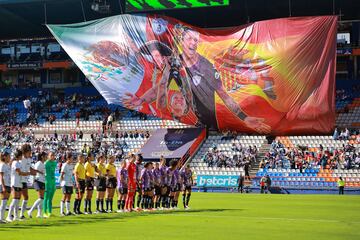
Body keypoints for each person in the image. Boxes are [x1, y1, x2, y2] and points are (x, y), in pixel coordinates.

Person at [175, 25, 271, 133]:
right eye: (189, 39)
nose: (193, 43)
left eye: (196, 40)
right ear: (181, 41)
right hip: (183, 124)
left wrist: (244, 117)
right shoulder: (174, 63)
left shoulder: (206, 67)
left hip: (208, 128)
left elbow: (224, 95)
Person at [7, 150, 30, 222]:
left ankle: (16, 216)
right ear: (19, 156)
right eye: (21, 155)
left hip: (19, 183)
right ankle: (9, 216)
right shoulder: (15, 163)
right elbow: (19, 172)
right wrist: (27, 173)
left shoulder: (18, 163)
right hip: (15, 183)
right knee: (14, 200)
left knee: (17, 200)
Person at [28, 151, 46, 218]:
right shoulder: (38, 163)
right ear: (42, 157)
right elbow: (34, 172)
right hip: (38, 181)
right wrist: (33, 181)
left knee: (41, 198)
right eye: (45, 156)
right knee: (41, 198)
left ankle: (39, 214)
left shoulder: (42, 163)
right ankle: (30, 211)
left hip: (42, 181)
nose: (46, 157)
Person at [19, 144, 35, 219]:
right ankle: (14, 214)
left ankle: (21, 214)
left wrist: (35, 171)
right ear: (25, 152)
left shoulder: (29, 159)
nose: (30, 153)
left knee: (25, 197)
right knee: (17, 198)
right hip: (18, 180)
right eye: (29, 151)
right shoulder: (20, 159)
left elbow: (30, 168)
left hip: (24, 180)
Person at [43, 151, 57, 218]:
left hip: (53, 182)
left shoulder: (55, 163)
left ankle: (50, 212)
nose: (52, 156)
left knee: (51, 198)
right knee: (46, 197)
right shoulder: (46, 163)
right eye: (51, 155)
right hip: (47, 182)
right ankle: (44, 212)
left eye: (53, 155)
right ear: (48, 156)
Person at [0, 150, 11, 223]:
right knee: (3, 202)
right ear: (5, 157)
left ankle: (2, 218)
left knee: (5, 202)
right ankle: (1, 218)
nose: (10, 158)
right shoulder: (2, 165)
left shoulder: (7, 165)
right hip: (4, 185)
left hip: (8, 184)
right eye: (8, 156)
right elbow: (1, 176)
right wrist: (3, 186)